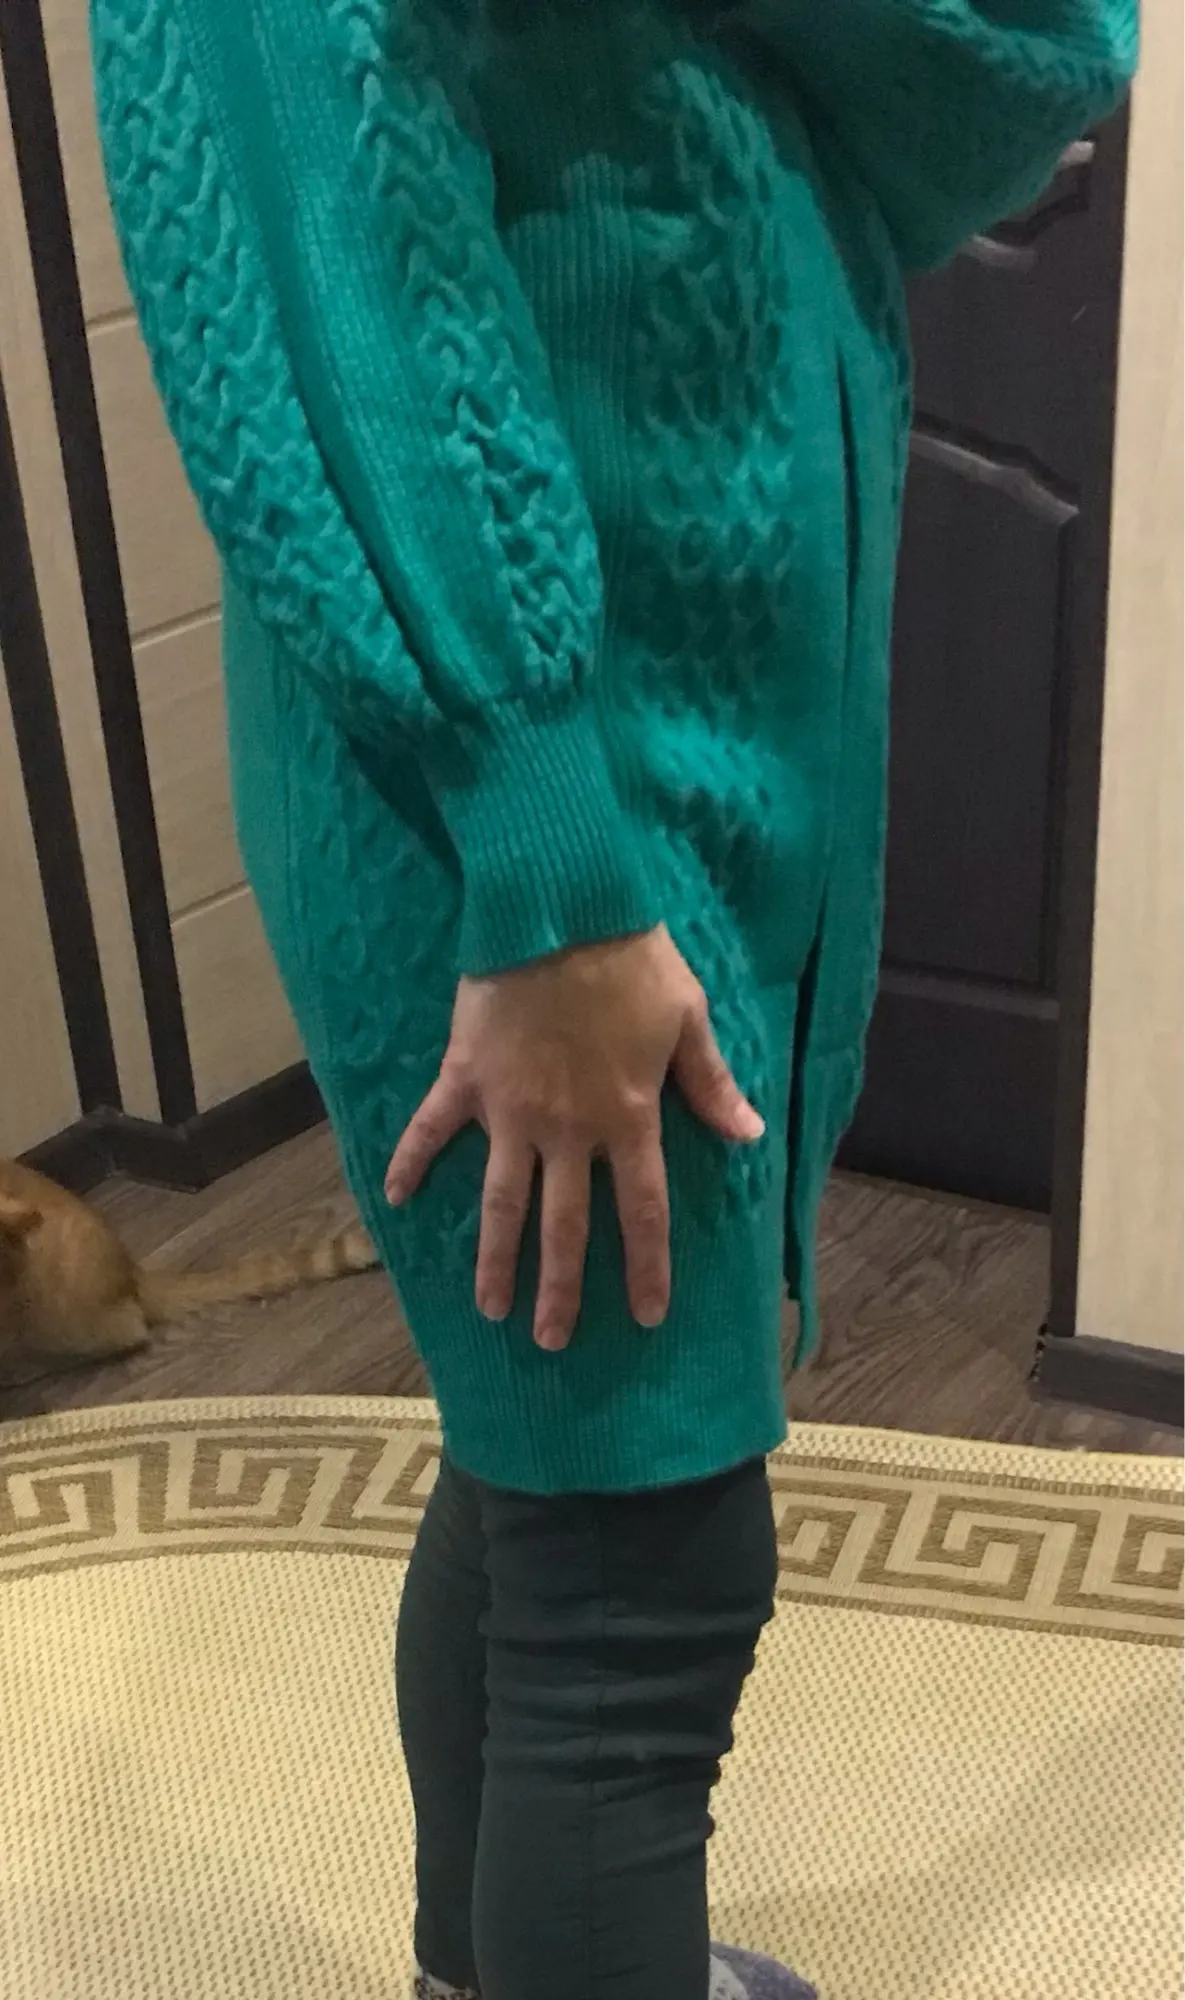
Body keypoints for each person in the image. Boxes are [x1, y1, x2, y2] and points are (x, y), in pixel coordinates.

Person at [92, 3, 1136, 1994]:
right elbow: (311, 244)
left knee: (552, 1476)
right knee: (636, 1581)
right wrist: (545, 852)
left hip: (708, 749)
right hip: (523, 804)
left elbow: (1008, 79)